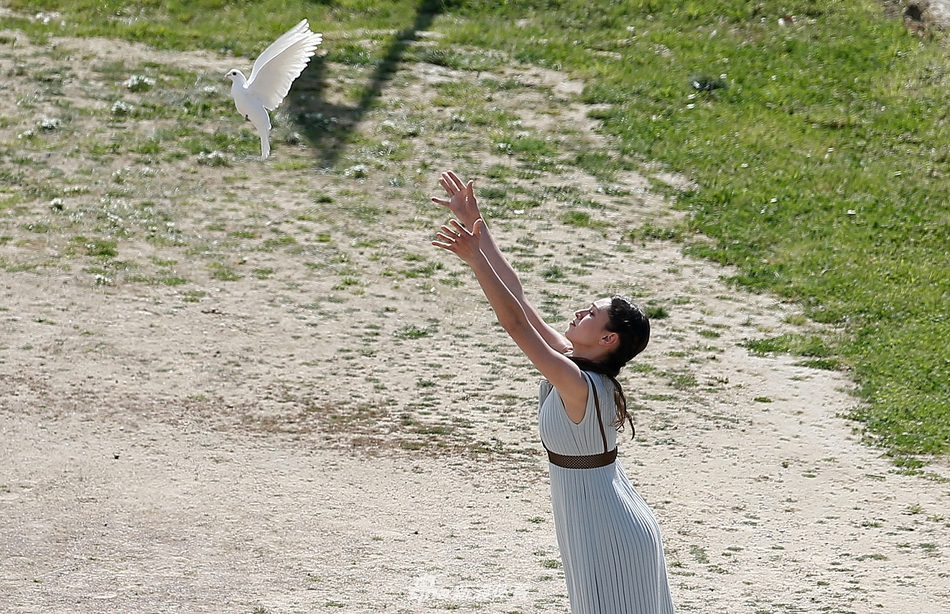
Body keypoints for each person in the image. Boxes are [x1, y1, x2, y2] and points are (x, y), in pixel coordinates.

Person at [431, 170, 676, 614]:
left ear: (608, 340)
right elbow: (520, 300)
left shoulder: (577, 382)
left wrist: (474, 260)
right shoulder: (576, 365)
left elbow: (515, 324)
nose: (581, 309)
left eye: (593, 313)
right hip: (593, 520)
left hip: (609, 530)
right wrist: (476, 225)